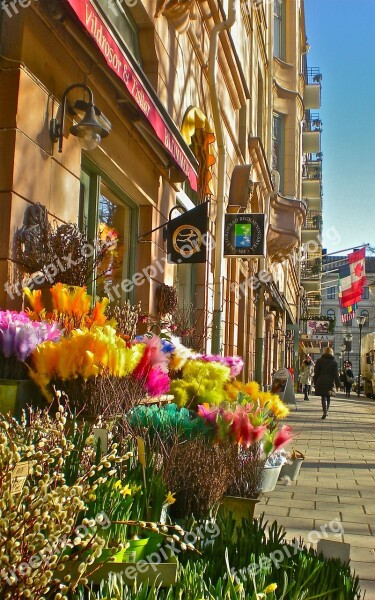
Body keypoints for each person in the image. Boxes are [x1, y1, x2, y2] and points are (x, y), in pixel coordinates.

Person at [313, 347, 341, 420]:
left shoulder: (319, 361)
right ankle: (326, 411)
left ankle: (324, 411)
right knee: (328, 396)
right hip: (329, 381)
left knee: (323, 397)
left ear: (324, 352)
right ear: (332, 352)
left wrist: (315, 381)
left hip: (321, 380)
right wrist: (338, 384)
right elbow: (336, 374)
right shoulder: (334, 362)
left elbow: (316, 372)